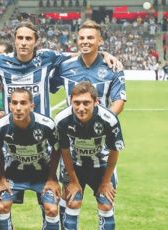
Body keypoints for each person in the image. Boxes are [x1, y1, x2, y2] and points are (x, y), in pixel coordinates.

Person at [50, 20, 127, 224]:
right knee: (70, 202)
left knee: (106, 201)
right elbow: (44, 82)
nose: (85, 41)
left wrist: (100, 123)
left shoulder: (113, 67)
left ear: (100, 40)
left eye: (90, 37)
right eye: (82, 38)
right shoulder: (65, 66)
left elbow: (119, 99)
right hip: (71, 143)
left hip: (100, 147)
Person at [54, 82, 124, 230]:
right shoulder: (61, 120)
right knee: (72, 201)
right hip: (74, 164)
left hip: (102, 165)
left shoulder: (109, 119)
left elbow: (114, 151)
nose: (81, 108)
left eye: (86, 103)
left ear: (96, 102)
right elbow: (64, 151)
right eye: (76, 103)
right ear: (71, 100)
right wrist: (73, 181)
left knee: (106, 203)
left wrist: (105, 182)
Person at [0, 88, 61, 230]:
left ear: (31, 106)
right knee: (2, 206)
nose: (18, 108)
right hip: (13, 175)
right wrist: (1, 179)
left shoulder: (47, 124)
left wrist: (52, 178)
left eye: (23, 103)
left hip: (43, 175)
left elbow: (57, 148)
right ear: (10, 105)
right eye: (15, 103)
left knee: (52, 209)